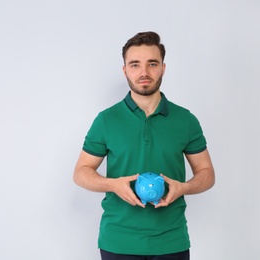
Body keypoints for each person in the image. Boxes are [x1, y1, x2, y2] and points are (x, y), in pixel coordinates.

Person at [73, 31, 215, 260]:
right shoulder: (106, 120)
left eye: (152, 64)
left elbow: (207, 174)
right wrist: (113, 185)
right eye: (135, 64)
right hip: (118, 241)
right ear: (125, 70)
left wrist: (184, 187)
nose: (144, 72)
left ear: (163, 68)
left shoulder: (186, 120)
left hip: (171, 241)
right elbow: (81, 173)